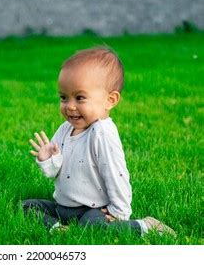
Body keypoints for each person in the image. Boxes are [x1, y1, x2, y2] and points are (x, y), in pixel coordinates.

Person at [23, 46, 175, 237]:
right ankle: (58, 229)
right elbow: (55, 172)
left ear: (110, 100)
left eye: (80, 98)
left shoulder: (102, 133)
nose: (70, 106)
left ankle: (145, 226)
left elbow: (116, 174)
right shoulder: (65, 129)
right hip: (63, 206)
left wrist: (119, 212)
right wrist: (47, 160)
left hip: (92, 210)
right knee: (27, 206)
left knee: (94, 227)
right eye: (63, 97)